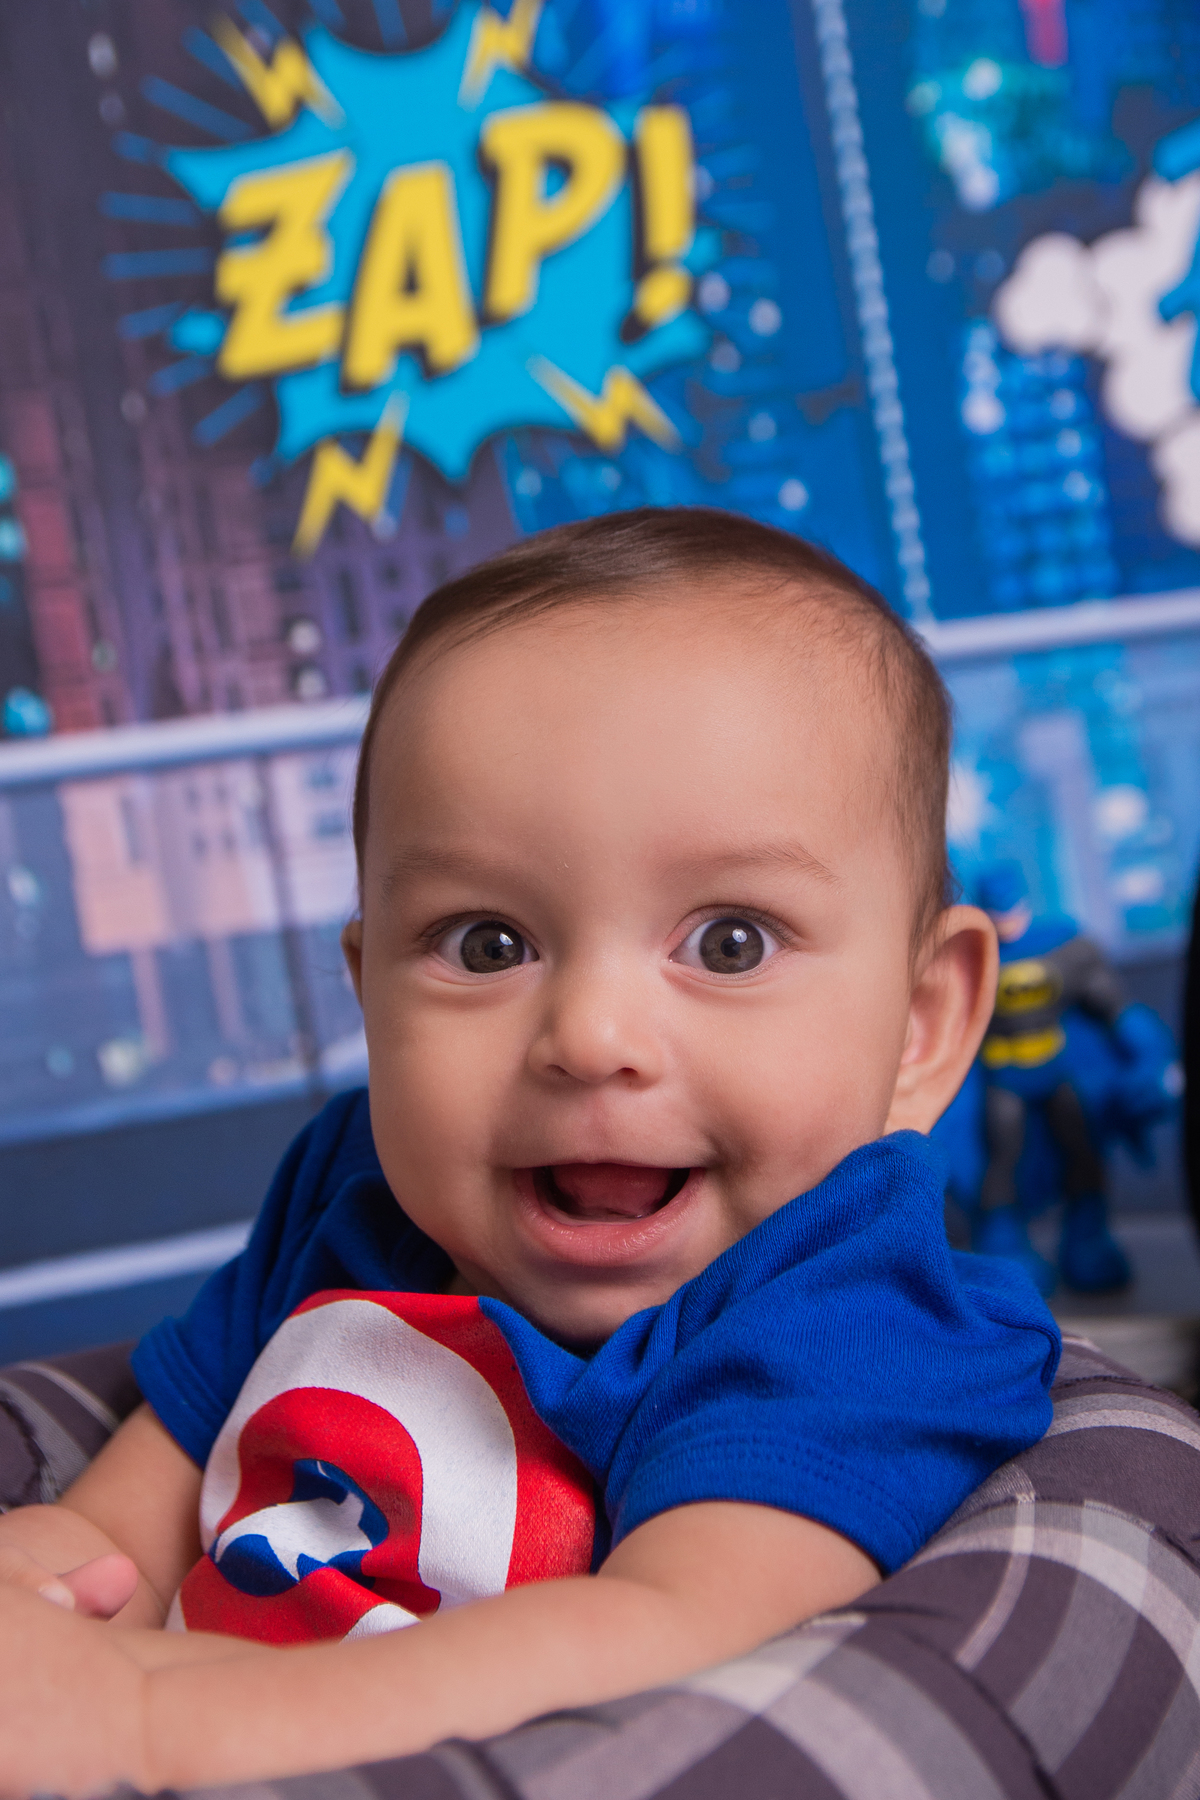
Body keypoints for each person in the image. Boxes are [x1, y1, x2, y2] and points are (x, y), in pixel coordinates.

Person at [0, 508, 1060, 1798]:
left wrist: (146, 1723)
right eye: (486, 944)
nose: (592, 1037)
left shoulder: (847, 1315)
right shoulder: (355, 1191)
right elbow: (150, 1492)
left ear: (922, 1025)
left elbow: (672, 1636)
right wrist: (50, 1581)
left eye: (729, 942)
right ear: (370, 994)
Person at [964, 860, 1178, 1293]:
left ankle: (1087, 1233)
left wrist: (1148, 1053)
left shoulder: (1062, 947)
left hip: (1055, 1069)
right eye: (998, 912)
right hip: (1003, 1077)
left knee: (1081, 1145)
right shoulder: (968, 958)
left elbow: (1113, 1006)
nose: (1007, 922)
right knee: (1002, 1155)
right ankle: (1003, 1239)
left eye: (1011, 910)